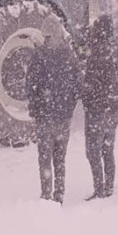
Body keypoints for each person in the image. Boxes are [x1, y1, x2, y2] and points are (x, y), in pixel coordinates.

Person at [25, 34, 81, 203]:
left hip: (44, 118)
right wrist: (69, 106)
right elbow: (78, 85)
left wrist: (36, 108)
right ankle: (59, 194)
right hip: (63, 118)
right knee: (60, 158)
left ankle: (46, 194)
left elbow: (30, 86)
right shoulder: (70, 56)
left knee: (44, 158)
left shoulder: (38, 56)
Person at [81, 16, 118, 200]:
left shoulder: (96, 56)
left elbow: (90, 86)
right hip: (113, 110)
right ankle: (109, 186)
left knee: (93, 152)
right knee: (108, 149)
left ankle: (99, 188)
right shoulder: (115, 53)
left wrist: (85, 97)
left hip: (97, 111)